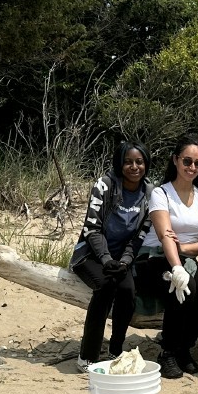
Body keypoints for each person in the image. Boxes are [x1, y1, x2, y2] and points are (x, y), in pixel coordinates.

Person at [135, 134, 198, 380]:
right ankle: (168, 351)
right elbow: (164, 235)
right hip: (154, 258)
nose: (192, 167)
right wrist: (176, 264)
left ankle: (185, 346)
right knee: (182, 285)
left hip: (186, 258)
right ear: (175, 160)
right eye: (187, 161)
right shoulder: (161, 194)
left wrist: (183, 248)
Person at [70, 142, 151, 372]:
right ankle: (87, 356)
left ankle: (115, 349)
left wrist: (125, 261)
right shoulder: (104, 185)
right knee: (105, 286)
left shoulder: (150, 193)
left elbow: (140, 235)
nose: (134, 167)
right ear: (119, 163)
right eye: (128, 161)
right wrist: (106, 259)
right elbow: (91, 228)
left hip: (122, 258)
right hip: (91, 255)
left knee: (127, 290)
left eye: (139, 162)